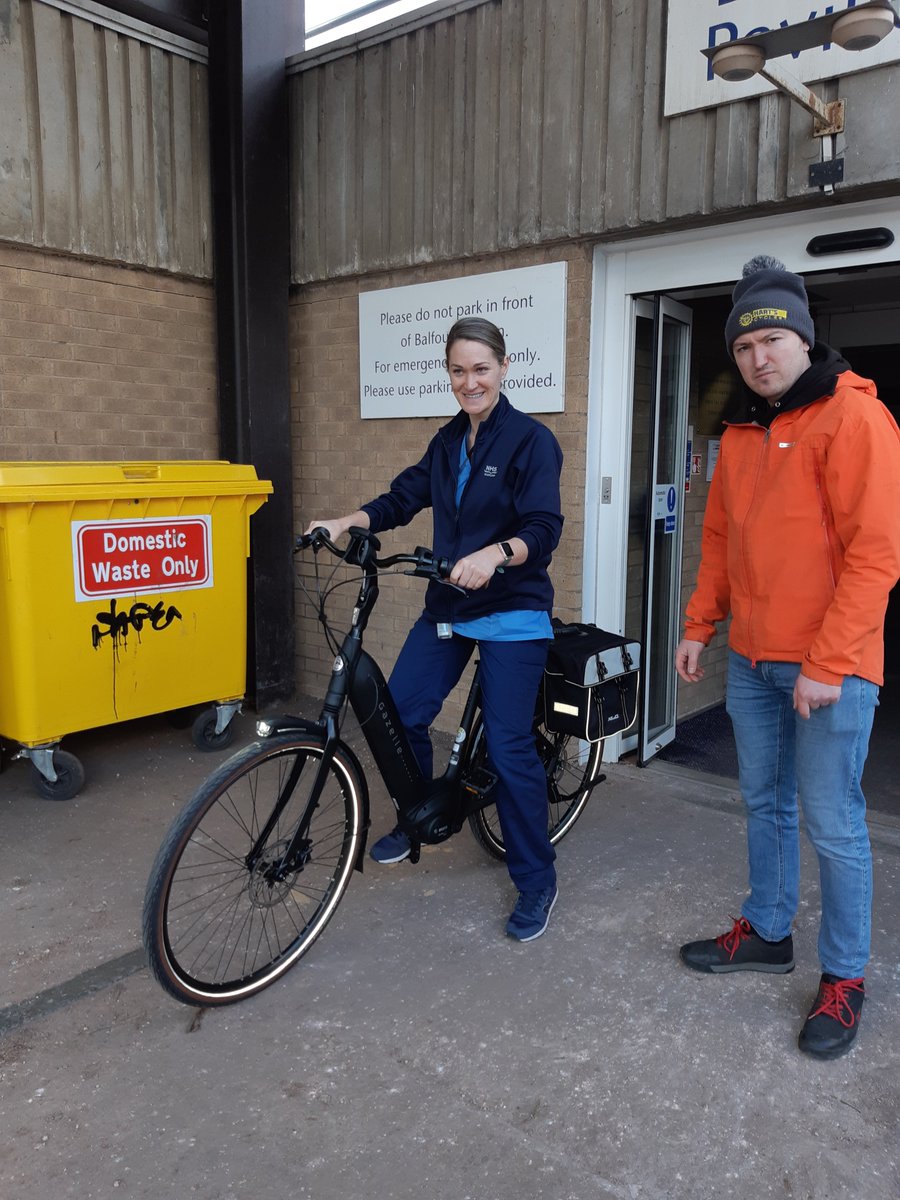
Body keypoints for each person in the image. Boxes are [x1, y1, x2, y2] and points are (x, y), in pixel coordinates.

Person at [674, 255, 900, 1060]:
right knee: (765, 805)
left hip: (830, 669)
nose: (758, 357)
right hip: (755, 661)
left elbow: (875, 556)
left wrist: (828, 661)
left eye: (772, 340)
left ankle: (844, 978)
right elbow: (720, 543)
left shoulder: (853, 419)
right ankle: (769, 932)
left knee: (834, 822)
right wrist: (700, 623)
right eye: (743, 348)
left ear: (803, 340)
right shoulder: (740, 432)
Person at [305, 317, 564, 942]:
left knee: (508, 747)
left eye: (480, 368)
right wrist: (348, 520)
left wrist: (496, 554)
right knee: (401, 715)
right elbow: (405, 496)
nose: (469, 381)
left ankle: (537, 880)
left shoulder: (532, 441)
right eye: (457, 370)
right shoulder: (449, 441)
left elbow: (543, 527)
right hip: (450, 607)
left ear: (504, 367)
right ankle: (418, 814)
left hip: (513, 612)